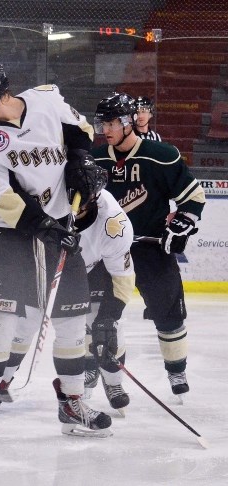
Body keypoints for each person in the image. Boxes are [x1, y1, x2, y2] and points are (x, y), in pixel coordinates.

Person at [0, 57, 112, 438]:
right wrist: (45, 226)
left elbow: (81, 131)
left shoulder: (46, 99)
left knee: (71, 320)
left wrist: (81, 160)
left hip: (61, 225)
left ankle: (72, 402)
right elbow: (3, 196)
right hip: (11, 233)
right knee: (0, 318)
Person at [91, 92, 206, 398]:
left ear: (128, 122)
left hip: (151, 250)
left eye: (112, 123)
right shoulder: (96, 159)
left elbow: (193, 198)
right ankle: (101, 372)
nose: (106, 130)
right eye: (102, 123)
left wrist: (182, 224)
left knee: (169, 315)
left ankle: (176, 371)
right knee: (103, 318)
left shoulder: (161, 155)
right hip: (108, 252)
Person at [2, 180, 137, 414]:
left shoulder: (114, 223)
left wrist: (108, 317)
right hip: (46, 266)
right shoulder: (43, 198)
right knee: (24, 325)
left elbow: (122, 278)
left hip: (95, 270)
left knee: (106, 328)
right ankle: (0, 383)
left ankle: (113, 383)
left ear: (93, 199)